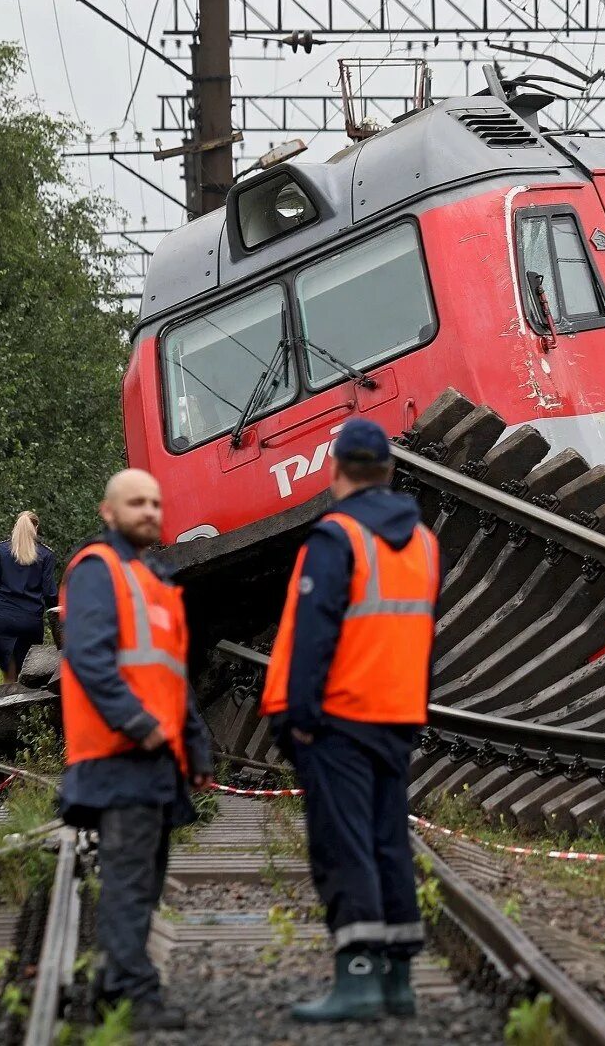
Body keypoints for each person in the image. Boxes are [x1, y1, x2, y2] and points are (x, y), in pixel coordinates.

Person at [260, 419, 439, 1023]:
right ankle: (397, 980)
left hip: (339, 716)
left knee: (343, 843)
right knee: (388, 839)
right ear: (389, 472)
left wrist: (302, 717)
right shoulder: (422, 543)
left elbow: (314, 635)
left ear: (336, 472)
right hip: (396, 714)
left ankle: (358, 976)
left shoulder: (336, 539)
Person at [59, 470, 213, 1033]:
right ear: (108, 512)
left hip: (154, 755)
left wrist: (194, 749)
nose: (149, 510)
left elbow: (172, 679)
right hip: (119, 752)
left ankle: (111, 981)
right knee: (130, 877)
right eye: (136, 503)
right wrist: (139, 724)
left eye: (155, 502)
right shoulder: (98, 572)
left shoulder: (152, 579)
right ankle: (132, 991)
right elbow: (88, 658)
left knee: (146, 876)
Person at [0, 511, 57, 684]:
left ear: (16, 526)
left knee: (8, 675)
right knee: (28, 673)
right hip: (30, 619)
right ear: (36, 528)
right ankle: (23, 706)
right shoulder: (46, 555)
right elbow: (49, 593)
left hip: (2, 618)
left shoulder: (1, 550)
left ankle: (5, 702)